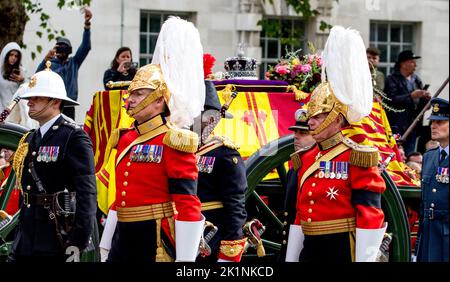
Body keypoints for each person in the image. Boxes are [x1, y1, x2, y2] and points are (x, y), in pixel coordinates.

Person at [99, 17, 206, 263]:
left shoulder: (174, 140)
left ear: (159, 101)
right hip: (122, 240)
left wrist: (185, 261)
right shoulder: (126, 138)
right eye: (130, 94)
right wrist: (106, 245)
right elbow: (121, 198)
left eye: (139, 94)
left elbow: (187, 203)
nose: (130, 100)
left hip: (155, 240)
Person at [285, 26, 387, 262]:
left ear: (337, 118)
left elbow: (370, 213)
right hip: (310, 249)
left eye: (319, 116)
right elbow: (300, 215)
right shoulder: (307, 157)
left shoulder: (357, 156)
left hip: (341, 248)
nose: (311, 122)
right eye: (311, 116)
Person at [8, 62, 97, 262]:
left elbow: (87, 194)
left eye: (36, 97)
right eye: (30, 98)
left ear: (55, 101)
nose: (29, 102)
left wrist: (77, 242)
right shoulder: (31, 138)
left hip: (56, 239)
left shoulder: (73, 137)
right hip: (26, 239)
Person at [195, 80, 248, 262]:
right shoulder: (181, 149)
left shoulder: (225, 153)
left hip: (211, 234)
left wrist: (229, 252)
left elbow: (235, 206)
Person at [36, 8, 93, 120]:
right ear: (55, 49)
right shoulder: (50, 63)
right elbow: (37, 76)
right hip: (53, 103)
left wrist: (87, 24)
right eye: (60, 47)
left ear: (70, 50)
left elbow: (86, 47)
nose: (62, 50)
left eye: (65, 47)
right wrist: (45, 59)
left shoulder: (74, 62)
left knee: (68, 130)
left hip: (69, 104)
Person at [279, 108, 316, 262]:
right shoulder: (295, 169)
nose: (296, 137)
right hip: (292, 240)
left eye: (303, 133)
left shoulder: (316, 167)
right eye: (295, 132)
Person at [415, 97, 449, 262]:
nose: (433, 126)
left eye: (440, 122)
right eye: (432, 121)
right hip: (428, 232)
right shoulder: (429, 157)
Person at [384, 50, 431, 155]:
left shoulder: (416, 80)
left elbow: (421, 106)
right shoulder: (391, 79)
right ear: (403, 63)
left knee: (410, 153)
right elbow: (390, 100)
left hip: (413, 125)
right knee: (395, 152)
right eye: (412, 62)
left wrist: (426, 99)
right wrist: (411, 96)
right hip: (396, 125)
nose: (415, 65)